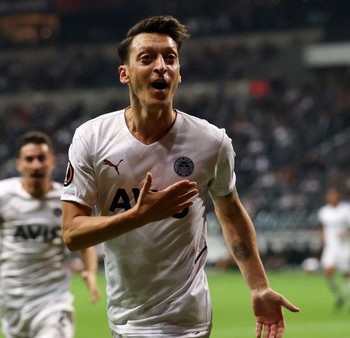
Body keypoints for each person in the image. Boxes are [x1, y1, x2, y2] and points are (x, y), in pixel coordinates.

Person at [60, 15, 299, 338]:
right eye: (147, 58)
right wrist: (140, 215)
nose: (161, 66)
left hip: (187, 319)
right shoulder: (92, 138)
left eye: (170, 58)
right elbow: (73, 233)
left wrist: (258, 286)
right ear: (124, 74)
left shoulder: (212, 142)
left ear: (179, 74)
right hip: (124, 316)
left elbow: (229, 212)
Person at [0, 131, 100, 338]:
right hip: (12, 301)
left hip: (53, 301)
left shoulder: (66, 200)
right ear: (19, 164)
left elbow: (84, 241)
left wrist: (91, 273)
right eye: (29, 159)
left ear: (52, 162)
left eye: (41, 158)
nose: (36, 165)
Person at [317, 187, 350, 313]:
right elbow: (321, 226)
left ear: (338, 197)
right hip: (330, 247)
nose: (330, 198)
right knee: (328, 273)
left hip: (345, 246)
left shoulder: (346, 210)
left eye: (333, 195)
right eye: (328, 196)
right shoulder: (324, 211)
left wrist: (347, 231)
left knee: (347, 273)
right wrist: (322, 238)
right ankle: (339, 296)